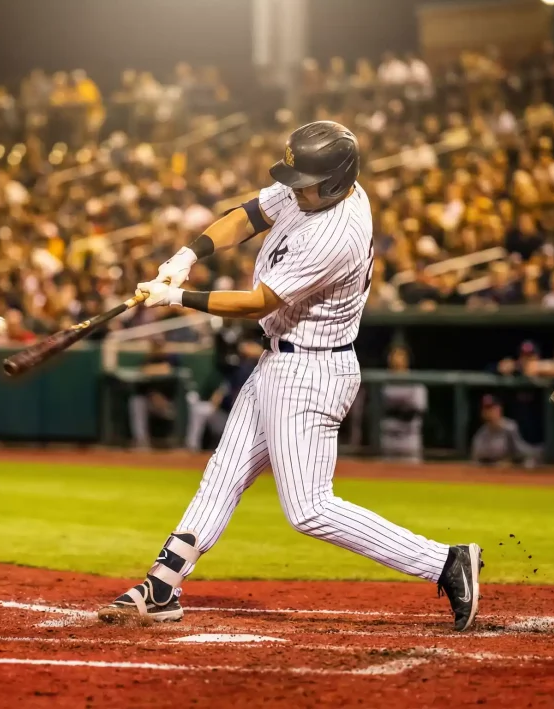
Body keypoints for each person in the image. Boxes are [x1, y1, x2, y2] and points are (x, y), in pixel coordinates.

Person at [98, 121, 482, 631]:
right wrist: (187, 256)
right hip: (279, 359)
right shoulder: (315, 190)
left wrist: (177, 298)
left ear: (335, 183)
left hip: (312, 368)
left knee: (308, 508)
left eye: (307, 183)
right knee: (223, 474)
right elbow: (249, 215)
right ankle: (163, 585)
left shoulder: (336, 232)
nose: (296, 190)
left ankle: (445, 562)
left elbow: (259, 302)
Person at [127, 337, 181, 449]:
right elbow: (142, 374)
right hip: (150, 402)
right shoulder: (148, 360)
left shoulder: (172, 359)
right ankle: (141, 440)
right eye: (155, 346)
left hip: (168, 402)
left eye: (160, 346)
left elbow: (168, 370)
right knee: (136, 402)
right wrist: (153, 395)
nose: (158, 349)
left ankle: (179, 442)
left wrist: (162, 397)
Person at [378, 343, 427, 462]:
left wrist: (396, 407)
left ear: (407, 359)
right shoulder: (382, 382)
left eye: (401, 356)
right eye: (394, 356)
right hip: (388, 438)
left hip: (409, 438)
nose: (397, 360)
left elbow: (419, 408)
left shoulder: (415, 382)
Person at [470, 395, 532, 466]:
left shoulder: (510, 428)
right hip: (490, 470)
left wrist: (509, 462)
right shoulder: (481, 434)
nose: (489, 412)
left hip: (510, 469)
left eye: (491, 407)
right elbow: (476, 460)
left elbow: (521, 453)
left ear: (499, 409)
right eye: (486, 408)